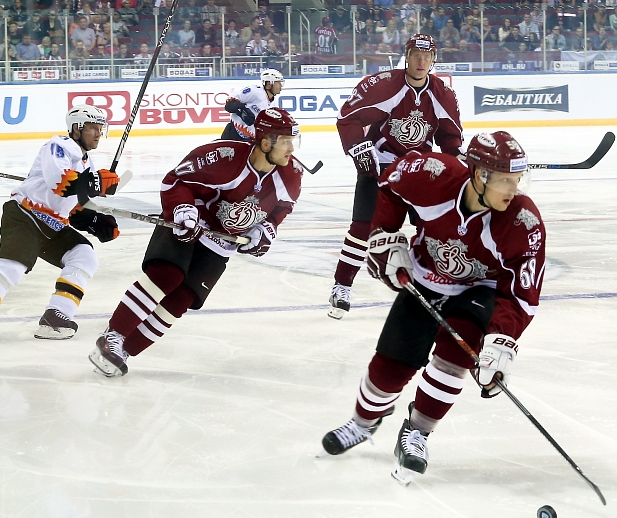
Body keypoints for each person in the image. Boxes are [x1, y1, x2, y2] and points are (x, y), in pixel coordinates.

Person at [321, 131, 545, 483]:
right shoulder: (430, 174)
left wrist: (500, 342)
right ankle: (364, 424)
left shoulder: (523, 222)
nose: (513, 189)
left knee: (452, 361)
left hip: (480, 291)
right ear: (478, 175)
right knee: (388, 367)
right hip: (424, 277)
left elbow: (521, 293)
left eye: (518, 179)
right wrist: (385, 237)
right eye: (505, 180)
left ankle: (418, 433)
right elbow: (389, 187)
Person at [88, 108, 303, 377]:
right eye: (285, 141)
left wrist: (265, 231)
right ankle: (113, 336)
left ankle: (124, 351)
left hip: (221, 243)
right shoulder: (224, 156)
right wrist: (183, 210)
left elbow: (281, 209)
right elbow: (175, 180)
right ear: (265, 142)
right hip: (192, 224)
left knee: (183, 298)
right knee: (167, 275)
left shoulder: (291, 174)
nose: (291, 148)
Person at [0, 106, 120, 344]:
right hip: (25, 215)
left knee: (83, 255)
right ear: (76, 129)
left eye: (100, 129)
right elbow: (60, 183)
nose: (97, 134)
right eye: (92, 128)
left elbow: (72, 206)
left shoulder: (86, 161)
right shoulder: (59, 145)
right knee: (13, 266)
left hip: (52, 224)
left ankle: (56, 317)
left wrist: (95, 221)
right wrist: (94, 182)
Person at [328, 35, 462, 320]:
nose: (421, 62)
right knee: (362, 228)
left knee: (434, 229)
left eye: (427, 57)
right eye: (416, 55)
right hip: (380, 166)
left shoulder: (442, 93)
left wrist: (457, 158)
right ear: (407, 55)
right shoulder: (385, 85)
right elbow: (348, 118)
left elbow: (450, 138)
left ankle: (433, 286)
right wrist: (358, 147)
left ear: (434, 60)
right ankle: (341, 286)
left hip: (418, 171)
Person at [220, 68, 284, 141]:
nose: (281, 86)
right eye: (278, 83)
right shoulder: (255, 91)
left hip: (251, 140)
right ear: (269, 84)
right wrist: (242, 110)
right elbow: (231, 102)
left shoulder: (274, 104)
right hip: (233, 133)